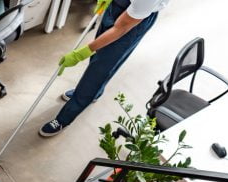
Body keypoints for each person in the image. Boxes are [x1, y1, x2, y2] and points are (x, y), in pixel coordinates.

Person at [39, 0, 168, 137]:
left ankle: (64, 119)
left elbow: (121, 27)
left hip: (133, 22)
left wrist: (81, 53)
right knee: (99, 60)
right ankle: (96, 92)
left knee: (98, 71)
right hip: (121, 6)